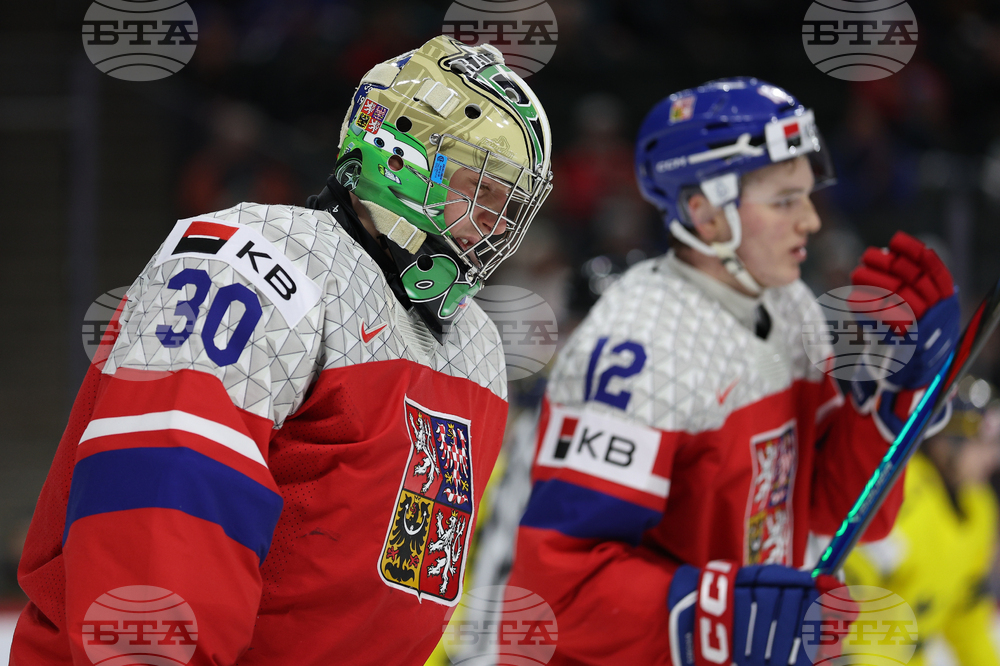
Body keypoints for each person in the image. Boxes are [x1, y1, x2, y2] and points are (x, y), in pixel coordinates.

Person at [12, 35, 552, 666]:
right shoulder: (257, 258)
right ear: (400, 154)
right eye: (478, 191)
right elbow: (166, 500)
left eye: (509, 205)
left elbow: (394, 593)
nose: (496, 225)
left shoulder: (475, 345)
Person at [504, 77, 959, 665]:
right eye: (784, 200)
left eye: (807, 195)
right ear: (706, 212)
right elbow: (560, 593)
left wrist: (894, 402)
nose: (812, 222)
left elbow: (825, 504)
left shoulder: (788, 304)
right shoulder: (633, 351)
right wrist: (715, 615)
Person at [845, 376, 1000, 666]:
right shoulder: (901, 493)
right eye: (981, 445)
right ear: (945, 441)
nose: (992, 458)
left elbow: (966, 613)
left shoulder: (980, 507)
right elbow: (849, 599)